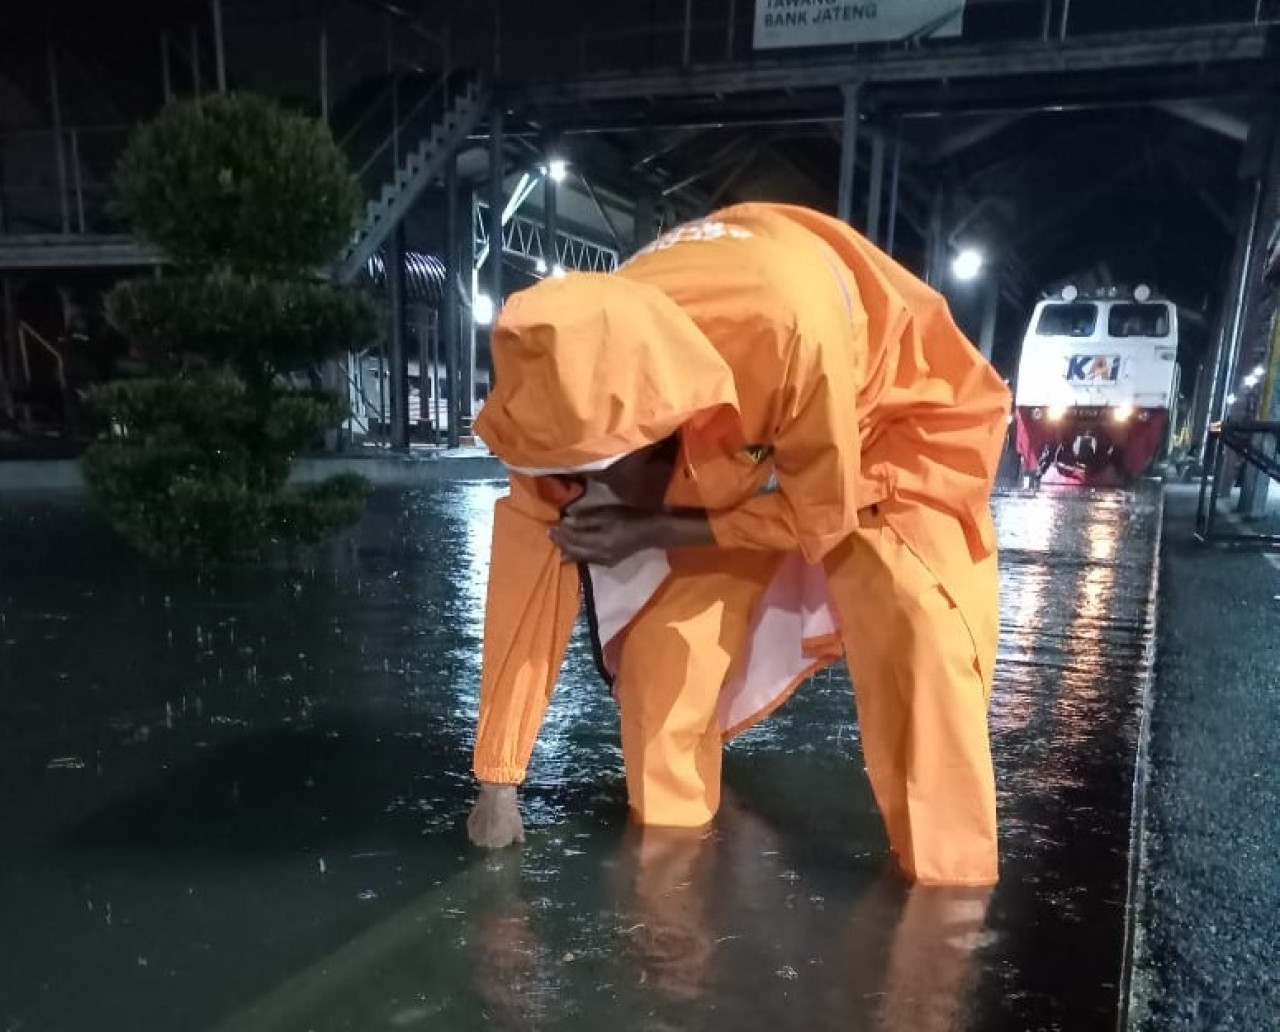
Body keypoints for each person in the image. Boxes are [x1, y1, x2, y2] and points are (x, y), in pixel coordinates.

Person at [465, 203, 1010, 886]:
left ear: (657, 430)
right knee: (665, 661)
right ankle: (669, 887)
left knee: (921, 642)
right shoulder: (560, 388)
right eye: (565, 476)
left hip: (893, 424)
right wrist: (498, 780)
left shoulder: (785, 333)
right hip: (734, 447)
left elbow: (823, 518)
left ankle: (948, 909)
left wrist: (658, 527)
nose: (578, 495)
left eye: (593, 477)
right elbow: (530, 568)